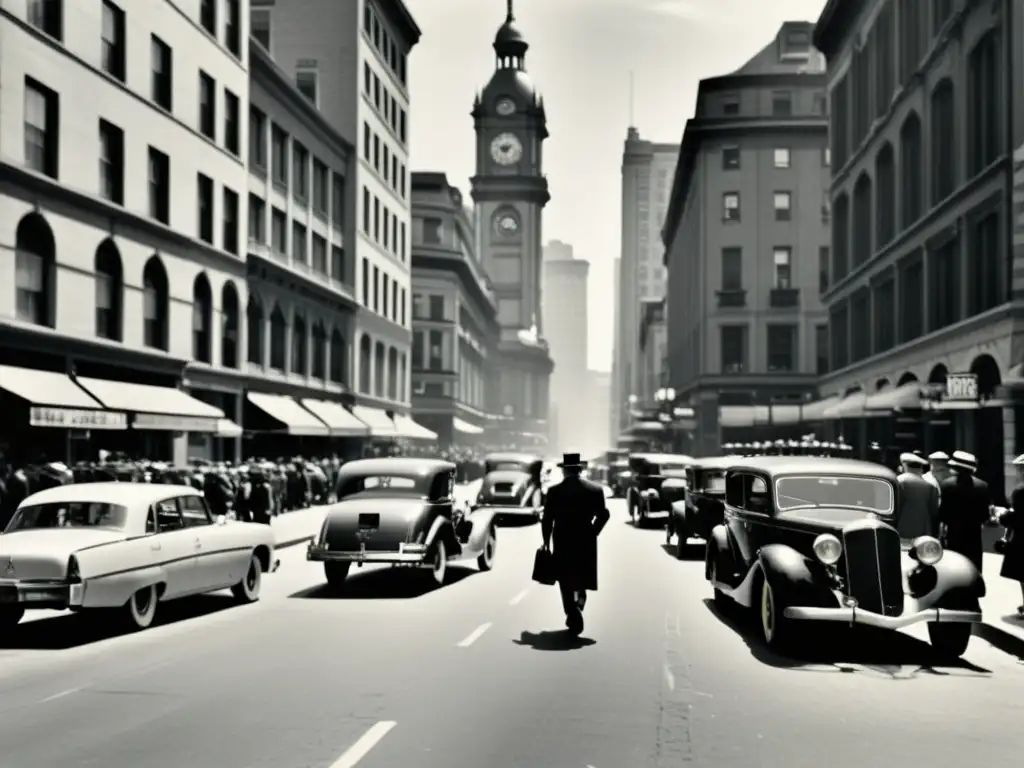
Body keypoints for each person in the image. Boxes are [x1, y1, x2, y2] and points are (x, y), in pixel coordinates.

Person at [540, 452, 610, 635]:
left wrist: (546, 542)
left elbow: (547, 519)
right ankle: (580, 600)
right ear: (580, 470)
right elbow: (604, 515)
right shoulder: (595, 490)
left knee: (564, 578)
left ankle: (572, 611)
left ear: (564, 472)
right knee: (583, 572)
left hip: (562, 539)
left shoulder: (554, 491)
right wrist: (593, 531)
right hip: (585, 539)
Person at [938, 451, 990, 571]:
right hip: (974, 533)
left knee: (954, 564)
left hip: (953, 532)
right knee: (974, 564)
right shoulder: (982, 486)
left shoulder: (946, 485)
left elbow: (942, 513)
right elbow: (984, 515)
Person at [997, 454, 1024, 616]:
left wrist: (1003, 516)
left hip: (1022, 537)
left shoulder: (1020, 492)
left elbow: (1016, 517)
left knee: (1023, 574)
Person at [896, 452, 939, 539]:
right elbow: (934, 512)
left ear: (905, 465)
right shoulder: (930, 486)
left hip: (900, 529)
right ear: (921, 468)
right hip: (923, 531)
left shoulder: (897, 482)